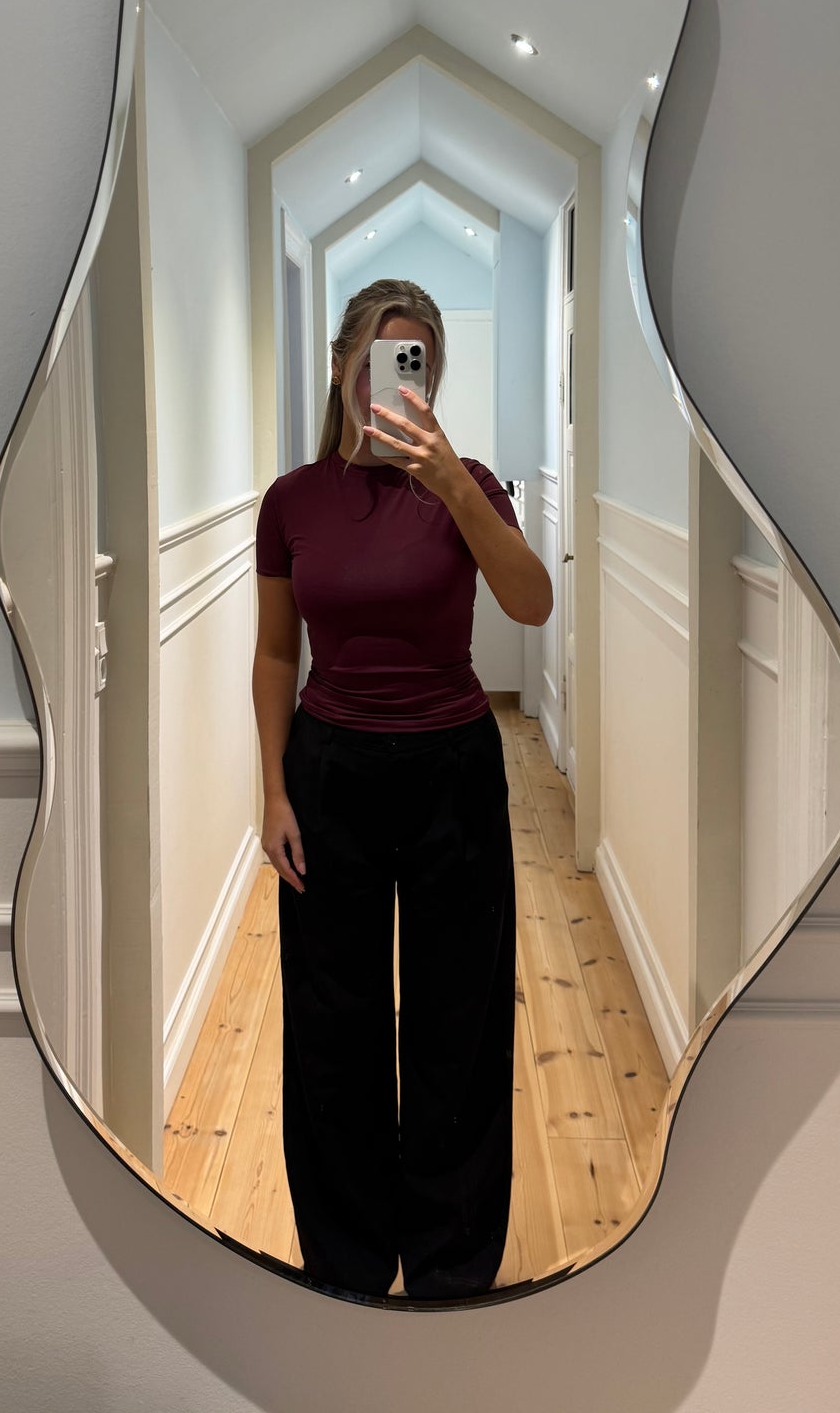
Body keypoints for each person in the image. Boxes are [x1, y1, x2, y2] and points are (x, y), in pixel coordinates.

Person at [251, 278, 553, 1301]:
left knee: (456, 1018)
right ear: (345, 365)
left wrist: (454, 484)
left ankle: (450, 1264)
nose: (396, 380)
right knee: (330, 1021)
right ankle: (344, 1255)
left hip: (451, 770)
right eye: (382, 359)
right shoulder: (293, 500)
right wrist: (272, 791)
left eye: (417, 363)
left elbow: (531, 601)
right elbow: (274, 656)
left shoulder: (466, 484)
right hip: (328, 772)